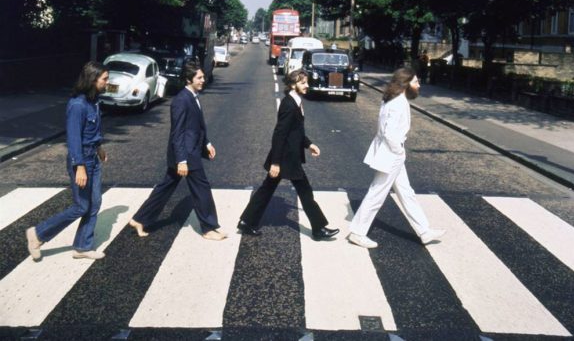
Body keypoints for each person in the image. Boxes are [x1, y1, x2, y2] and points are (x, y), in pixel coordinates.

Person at [348, 67, 445, 249]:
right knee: (377, 193)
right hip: (390, 154)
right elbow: (389, 132)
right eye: (416, 82)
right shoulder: (397, 103)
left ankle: (424, 231)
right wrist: (399, 150)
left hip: (392, 154)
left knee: (406, 192)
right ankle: (357, 232)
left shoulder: (393, 100)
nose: (419, 85)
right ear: (405, 84)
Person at [237, 69, 339, 241]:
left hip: (288, 156)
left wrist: (309, 144)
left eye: (306, 82)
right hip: (286, 158)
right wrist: (275, 163)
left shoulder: (295, 102)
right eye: (303, 83)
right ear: (293, 85)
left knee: (267, 189)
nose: (307, 85)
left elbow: (295, 132)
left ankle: (246, 222)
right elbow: (280, 134)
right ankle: (318, 229)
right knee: (305, 192)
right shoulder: (289, 104)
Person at [128, 63, 226, 241]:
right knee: (201, 188)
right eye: (199, 78)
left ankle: (139, 219)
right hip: (186, 154)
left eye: (203, 77)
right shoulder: (181, 100)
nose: (203, 80)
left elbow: (196, 127)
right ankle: (209, 228)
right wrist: (182, 160)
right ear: (189, 80)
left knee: (166, 187)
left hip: (190, 151)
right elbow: (178, 132)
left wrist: (207, 143)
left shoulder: (193, 96)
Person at [25, 61, 110, 261]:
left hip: (93, 157)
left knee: (95, 202)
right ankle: (38, 234)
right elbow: (73, 139)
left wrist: (99, 148)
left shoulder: (94, 101)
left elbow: (92, 131)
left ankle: (82, 246)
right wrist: (79, 166)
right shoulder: (78, 105)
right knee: (81, 206)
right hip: (81, 161)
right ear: (93, 79)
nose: (108, 82)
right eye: (105, 79)